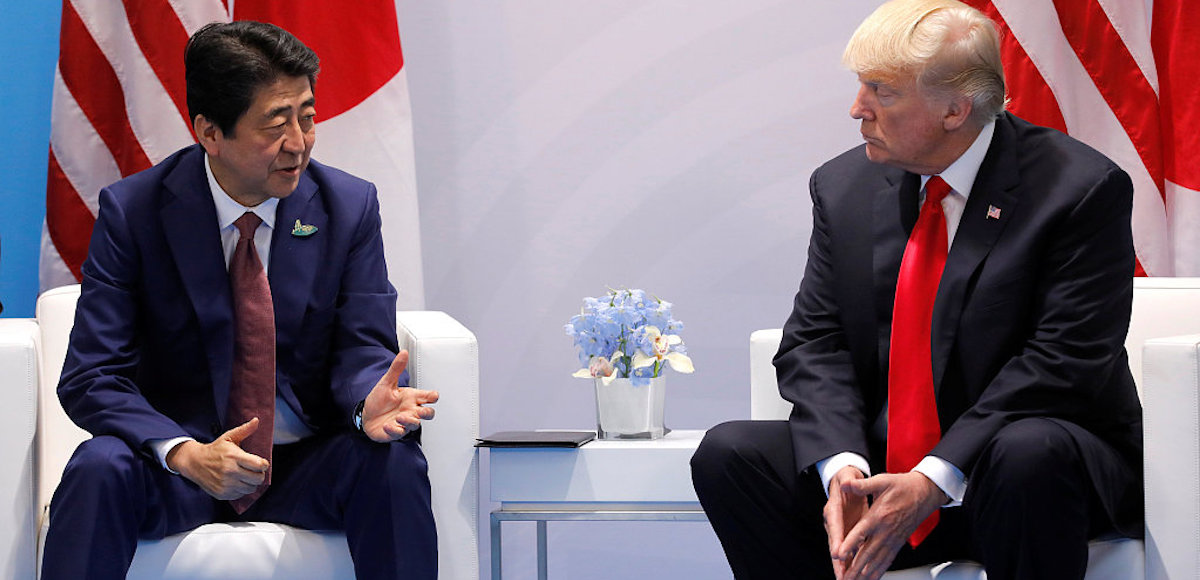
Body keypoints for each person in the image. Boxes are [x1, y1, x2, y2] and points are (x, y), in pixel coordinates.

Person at [690, 1, 1143, 579]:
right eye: (861, 87)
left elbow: (1063, 364)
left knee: (1028, 451)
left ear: (955, 109)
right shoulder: (842, 185)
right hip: (889, 469)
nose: (858, 110)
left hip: (1023, 477)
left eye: (882, 91)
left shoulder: (1080, 189)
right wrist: (844, 469)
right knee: (732, 454)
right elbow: (814, 342)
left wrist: (935, 476)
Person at [42, 21, 439, 580]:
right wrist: (182, 451)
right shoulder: (134, 213)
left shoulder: (347, 207)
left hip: (303, 462)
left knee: (393, 463)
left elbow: (362, 346)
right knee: (98, 467)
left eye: (307, 116)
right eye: (276, 124)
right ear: (209, 132)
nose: (298, 143)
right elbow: (93, 375)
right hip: (183, 467)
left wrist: (364, 401)